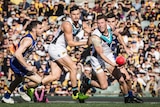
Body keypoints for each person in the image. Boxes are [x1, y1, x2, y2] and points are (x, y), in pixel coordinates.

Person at [41, 5, 91, 100]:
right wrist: (85, 42)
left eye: (78, 14)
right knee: (73, 67)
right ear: (70, 15)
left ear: (80, 14)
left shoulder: (80, 23)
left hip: (60, 49)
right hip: (56, 48)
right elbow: (71, 43)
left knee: (55, 76)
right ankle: (76, 92)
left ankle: (28, 87)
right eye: (73, 14)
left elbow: (88, 30)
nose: (76, 16)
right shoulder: (67, 24)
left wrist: (91, 34)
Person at [80, 13, 133, 103]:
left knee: (121, 79)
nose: (100, 25)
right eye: (98, 23)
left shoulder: (110, 28)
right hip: (97, 59)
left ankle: (128, 98)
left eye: (102, 23)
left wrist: (126, 48)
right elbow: (100, 54)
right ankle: (87, 82)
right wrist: (113, 64)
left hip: (109, 56)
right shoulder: (95, 36)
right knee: (104, 86)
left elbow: (119, 36)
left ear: (105, 23)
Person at [1, 21, 43, 104]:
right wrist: (27, 66)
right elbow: (17, 54)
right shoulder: (28, 40)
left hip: (18, 63)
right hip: (17, 64)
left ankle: (6, 97)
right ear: (34, 29)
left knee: (18, 80)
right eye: (40, 28)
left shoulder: (32, 38)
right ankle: (22, 89)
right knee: (39, 81)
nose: (42, 30)